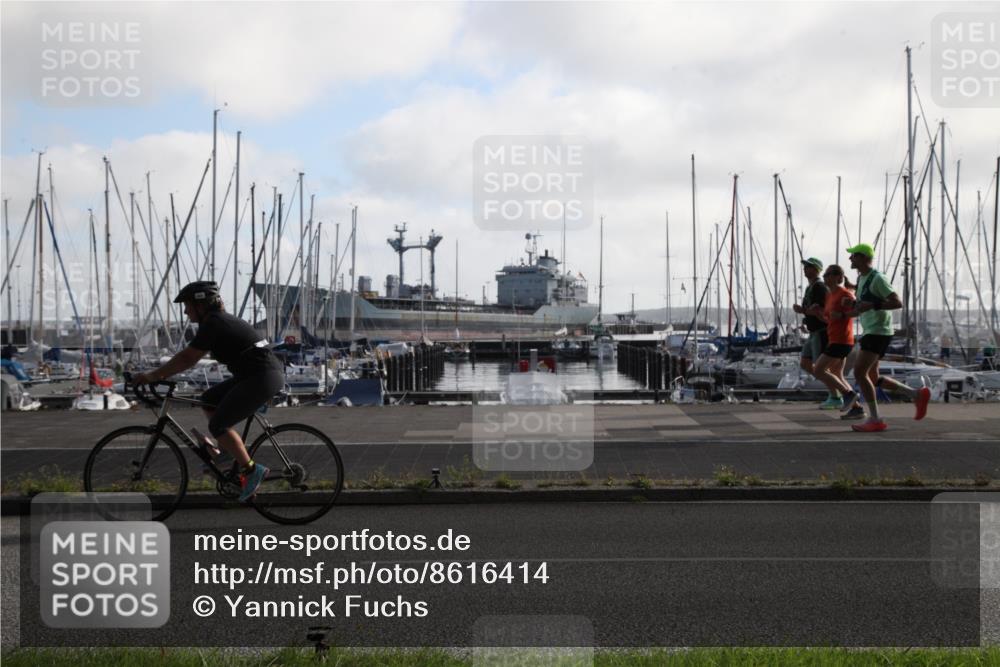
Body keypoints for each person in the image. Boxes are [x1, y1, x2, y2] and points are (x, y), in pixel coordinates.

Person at [133, 281, 285, 501]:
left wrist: (153, 376)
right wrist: (159, 374)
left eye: (187, 306)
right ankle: (227, 454)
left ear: (201, 305)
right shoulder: (217, 321)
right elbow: (188, 358)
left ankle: (252, 471)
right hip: (255, 376)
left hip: (261, 378)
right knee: (209, 399)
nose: (185, 312)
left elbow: (188, 358)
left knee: (218, 424)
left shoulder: (214, 323)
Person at [838, 244, 930, 432]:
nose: (850, 259)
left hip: (878, 331)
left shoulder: (878, 278)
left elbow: (897, 302)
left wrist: (873, 305)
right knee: (872, 376)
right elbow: (865, 305)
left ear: (864, 258)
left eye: (853, 256)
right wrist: (851, 306)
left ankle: (875, 418)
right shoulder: (863, 278)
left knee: (859, 373)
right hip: (871, 330)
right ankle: (915, 394)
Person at [808, 265, 856, 410]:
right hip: (833, 338)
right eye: (824, 275)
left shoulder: (845, 294)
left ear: (837, 277)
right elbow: (828, 320)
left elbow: (858, 311)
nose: (824, 277)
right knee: (837, 374)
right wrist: (817, 313)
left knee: (818, 369)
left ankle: (848, 394)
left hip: (842, 339)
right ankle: (856, 408)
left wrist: (842, 315)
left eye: (828, 274)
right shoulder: (829, 295)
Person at [792, 257, 833, 405]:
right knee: (805, 363)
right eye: (805, 266)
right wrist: (804, 314)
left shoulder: (820, 287)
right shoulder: (810, 287)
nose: (805, 269)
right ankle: (835, 392)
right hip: (812, 331)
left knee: (820, 367)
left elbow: (822, 310)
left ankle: (835, 394)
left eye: (808, 266)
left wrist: (804, 310)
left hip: (821, 331)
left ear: (816, 269)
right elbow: (811, 310)